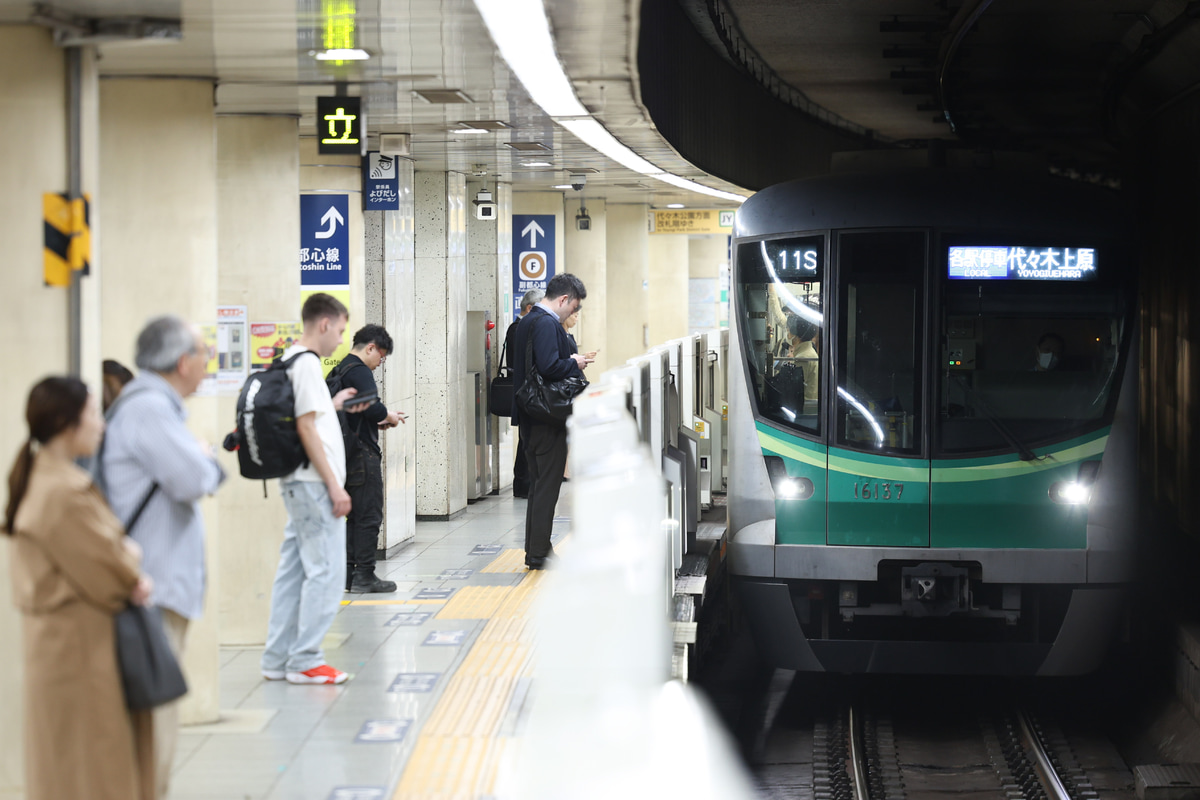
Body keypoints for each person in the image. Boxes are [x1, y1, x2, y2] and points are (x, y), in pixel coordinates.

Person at [6, 377, 156, 800]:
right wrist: (133, 567)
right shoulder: (63, 492)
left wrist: (124, 558)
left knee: (66, 767)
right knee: (92, 770)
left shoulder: (44, 479)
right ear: (64, 422)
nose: (101, 424)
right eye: (92, 414)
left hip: (63, 650)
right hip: (82, 656)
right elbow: (111, 567)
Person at [101, 315, 227, 800]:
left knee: (156, 719)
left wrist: (199, 457)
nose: (209, 361)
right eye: (204, 352)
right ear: (182, 361)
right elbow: (195, 478)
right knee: (155, 723)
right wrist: (203, 458)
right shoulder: (150, 409)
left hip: (157, 586)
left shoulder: (151, 406)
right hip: (151, 589)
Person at [261, 292, 365, 685]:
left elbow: (306, 417)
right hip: (314, 485)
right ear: (324, 324)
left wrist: (332, 405)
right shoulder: (306, 364)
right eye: (339, 331)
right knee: (326, 572)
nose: (340, 340)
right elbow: (305, 428)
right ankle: (306, 659)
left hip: (297, 482)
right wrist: (335, 486)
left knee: (293, 571)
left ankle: (277, 658)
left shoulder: (289, 359)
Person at [511, 273, 591, 570]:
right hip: (546, 417)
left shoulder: (527, 321)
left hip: (530, 415)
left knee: (538, 485)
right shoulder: (546, 323)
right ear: (563, 299)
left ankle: (537, 548)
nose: (572, 313)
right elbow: (549, 367)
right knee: (547, 486)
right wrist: (575, 362)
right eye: (573, 307)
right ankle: (538, 553)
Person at [332, 324, 407, 593]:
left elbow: (354, 412)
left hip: (345, 452)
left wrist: (378, 421)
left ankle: (348, 575)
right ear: (370, 348)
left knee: (354, 517)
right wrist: (389, 416)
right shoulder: (360, 370)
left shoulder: (340, 369)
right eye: (381, 357)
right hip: (362, 454)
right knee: (369, 515)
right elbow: (373, 407)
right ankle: (364, 574)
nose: (379, 363)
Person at [506, 288, 544, 498]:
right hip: (522, 391)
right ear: (529, 308)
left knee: (526, 439)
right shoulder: (517, 329)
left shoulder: (523, 328)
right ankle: (522, 483)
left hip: (525, 390)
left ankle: (524, 482)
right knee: (526, 439)